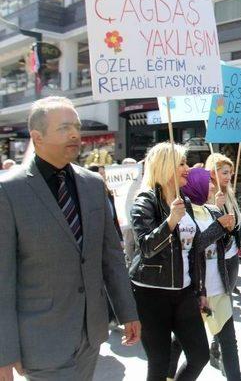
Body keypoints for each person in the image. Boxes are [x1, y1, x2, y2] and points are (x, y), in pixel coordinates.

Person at [0, 96, 140, 380]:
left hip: (91, 336)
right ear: (37, 137)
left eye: (76, 126)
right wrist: (4, 351)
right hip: (41, 341)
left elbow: (111, 256)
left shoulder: (92, 184)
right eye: (64, 128)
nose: (75, 133)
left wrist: (128, 311)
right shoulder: (8, 191)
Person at [130, 142, 234, 381]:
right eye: (181, 163)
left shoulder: (184, 202)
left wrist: (201, 290)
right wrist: (170, 222)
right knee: (160, 362)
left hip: (185, 291)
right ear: (165, 167)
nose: (187, 168)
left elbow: (195, 248)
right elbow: (145, 247)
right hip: (151, 294)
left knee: (199, 355)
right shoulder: (145, 201)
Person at [167, 168, 239, 380]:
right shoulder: (183, 213)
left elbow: (221, 247)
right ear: (196, 184)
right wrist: (218, 228)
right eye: (207, 182)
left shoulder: (213, 211)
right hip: (196, 292)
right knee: (180, 343)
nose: (212, 186)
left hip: (219, 288)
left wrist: (228, 231)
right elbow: (193, 246)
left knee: (229, 342)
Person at [204, 152, 241, 366]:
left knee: (225, 305)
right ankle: (214, 348)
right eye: (224, 172)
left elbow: (239, 224)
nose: (229, 176)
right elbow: (206, 232)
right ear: (213, 172)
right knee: (219, 307)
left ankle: (216, 346)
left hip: (232, 258)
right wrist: (216, 209)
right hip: (213, 261)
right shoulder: (205, 195)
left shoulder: (229, 194)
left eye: (230, 172)